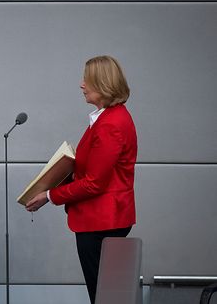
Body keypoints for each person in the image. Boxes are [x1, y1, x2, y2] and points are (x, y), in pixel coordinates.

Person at [26, 55, 137, 304]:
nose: (81, 85)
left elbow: (95, 182)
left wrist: (49, 195)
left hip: (102, 221)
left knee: (103, 296)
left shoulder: (110, 124)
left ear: (102, 83)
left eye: (86, 79)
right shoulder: (109, 118)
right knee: (106, 295)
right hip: (106, 217)